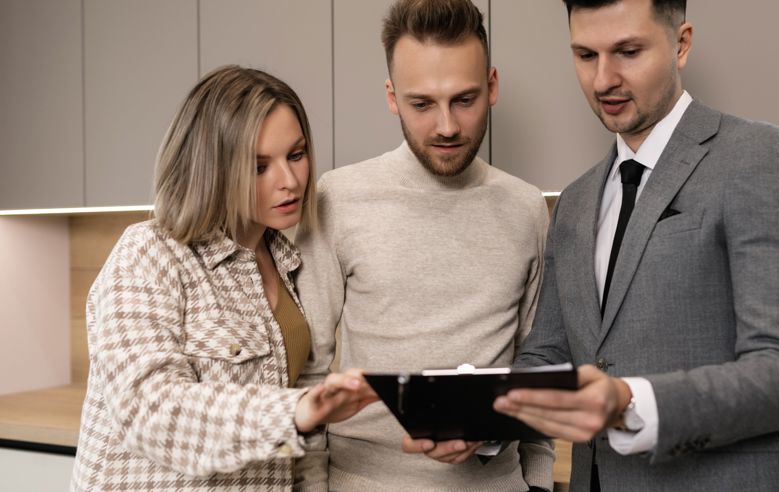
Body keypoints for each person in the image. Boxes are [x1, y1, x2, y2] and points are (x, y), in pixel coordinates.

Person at [493, 0, 779, 490]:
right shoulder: (574, 202)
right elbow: (547, 358)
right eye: (586, 55)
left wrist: (627, 401)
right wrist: (478, 427)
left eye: (627, 51)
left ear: (682, 43)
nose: (603, 79)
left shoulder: (758, 157)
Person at [70, 65, 377, 491]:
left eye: (296, 154)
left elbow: (302, 430)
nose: (289, 182)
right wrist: (293, 411)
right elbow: (147, 411)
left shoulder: (288, 261)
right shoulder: (150, 253)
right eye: (258, 167)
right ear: (211, 167)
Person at [294, 0, 554, 490]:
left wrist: (537, 483)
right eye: (422, 104)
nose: (447, 127)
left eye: (464, 99)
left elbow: (535, 362)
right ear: (392, 97)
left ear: (492, 86)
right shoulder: (337, 198)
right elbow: (308, 373)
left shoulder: (526, 209)